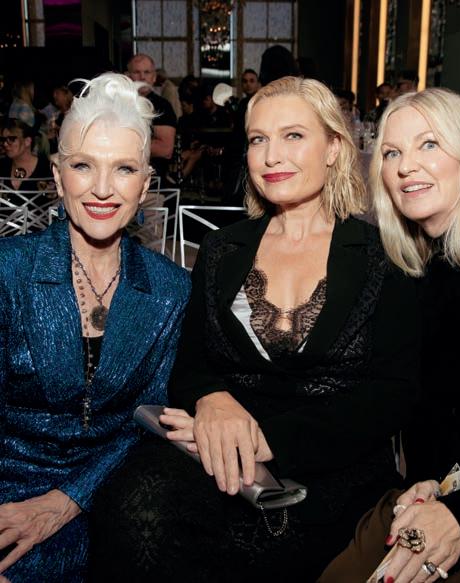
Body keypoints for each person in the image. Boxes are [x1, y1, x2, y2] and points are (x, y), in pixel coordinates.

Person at [89, 76, 420, 582]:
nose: (271, 156)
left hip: (332, 466)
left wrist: (270, 439)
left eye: (293, 136)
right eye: (258, 139)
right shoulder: (223, 249)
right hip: (221, 457)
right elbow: (191, 365)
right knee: (133, 508)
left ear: (334, 148)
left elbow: (392, 395)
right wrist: (212, 400)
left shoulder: (383, 255)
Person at [0, 72, 190, 582]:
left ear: (145, 185)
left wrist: (66, 500)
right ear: (58, 176)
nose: (103, 189)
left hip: (109, 496)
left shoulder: (171, 289)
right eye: (83, 165)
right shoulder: (8, 271)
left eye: (124, 168)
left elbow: (148, 422)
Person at [319, 88, 460, 582]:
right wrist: (430, 483)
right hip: (440, 495)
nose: (406, 166)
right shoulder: (420, 270)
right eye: (391, 152)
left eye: (429, 144)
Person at [127, 54, 177, 185]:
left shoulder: (162, 106)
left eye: (147, 72)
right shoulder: (118, 104)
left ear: (154, 77)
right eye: (137, 72)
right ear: (128, 77)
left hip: (152, 181)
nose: (142, 77)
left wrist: (124, 144)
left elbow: (165, 149)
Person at [0, 118, 51, 193]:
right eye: (3, 139)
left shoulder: (47, 168)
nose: (5, 144)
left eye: (11, 139)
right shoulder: (2, 165)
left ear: (27, 141)